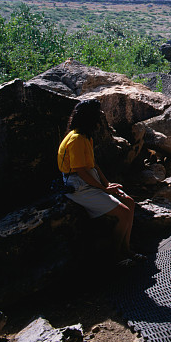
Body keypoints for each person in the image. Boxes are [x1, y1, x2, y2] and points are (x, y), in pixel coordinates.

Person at [58, 98, 142, 266]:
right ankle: (116, 255)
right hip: (78, 185)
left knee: (129, 203)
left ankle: (126, 249)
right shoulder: (76, 139)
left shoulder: (85, 137)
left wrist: (107, 184)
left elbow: (93, 165)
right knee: (124, 212)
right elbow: (81, 171)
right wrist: (104, 188)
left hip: (89, 179)